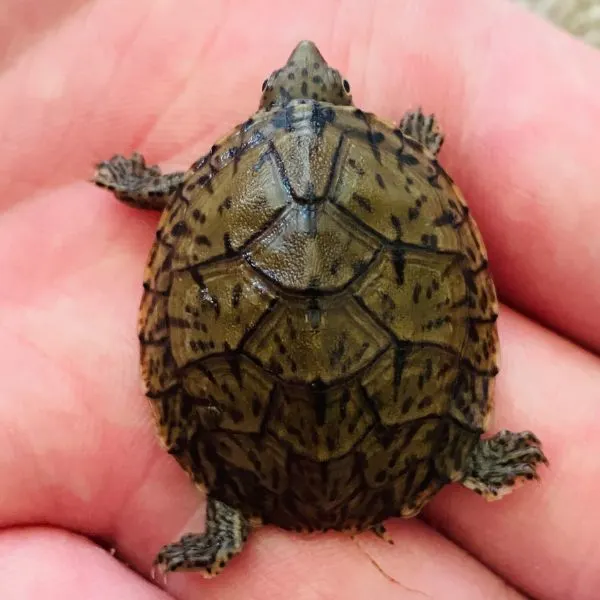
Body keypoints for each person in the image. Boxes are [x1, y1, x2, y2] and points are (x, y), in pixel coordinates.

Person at [1, 1, 599, 598]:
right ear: (344, 94)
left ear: (267, 100)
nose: (304, 56)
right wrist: (415, 144)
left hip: (243, 420)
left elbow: (170, 191)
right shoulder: (399, 155)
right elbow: (427, 185)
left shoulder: (220, 169)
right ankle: (456, 453)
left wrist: (134, 182)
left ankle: (231, 505)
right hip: (406, 406)